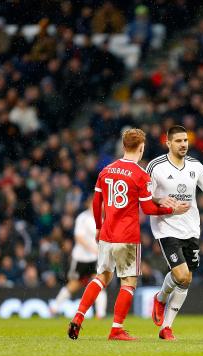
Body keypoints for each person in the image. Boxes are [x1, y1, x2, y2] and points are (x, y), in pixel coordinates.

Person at [67, 128, 189, 341]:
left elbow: (97, 202)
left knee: (101, 277)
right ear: (141, 148)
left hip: (106, 233)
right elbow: (149, 209)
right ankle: (116, 329)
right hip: (127, 236)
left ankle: (78, 316)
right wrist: (172, 209)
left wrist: (98, 226)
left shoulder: (106, 170)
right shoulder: (141, 175)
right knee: (128, 283)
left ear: (124, 147)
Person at [148, 125, 203, 341]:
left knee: (187, 279)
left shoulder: (195, 166)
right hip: (166, 228)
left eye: (186, 141)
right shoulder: (156, 166)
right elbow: (144, 196)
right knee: (181, 274)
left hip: (191, 229)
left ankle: (166, 327)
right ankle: (162, 299)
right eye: (179, 141)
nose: (184, 144)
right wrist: (160, 199)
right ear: (168, 143)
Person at [51, 195, 107, 318]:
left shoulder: (103, 218)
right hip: (81, 258)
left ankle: (100, 314)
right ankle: (54, 308)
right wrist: (92, 249)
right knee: (74, 285)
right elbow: (79, 237)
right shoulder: (83, 218)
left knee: (98, 283)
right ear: (89, 203)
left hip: (95, 259)